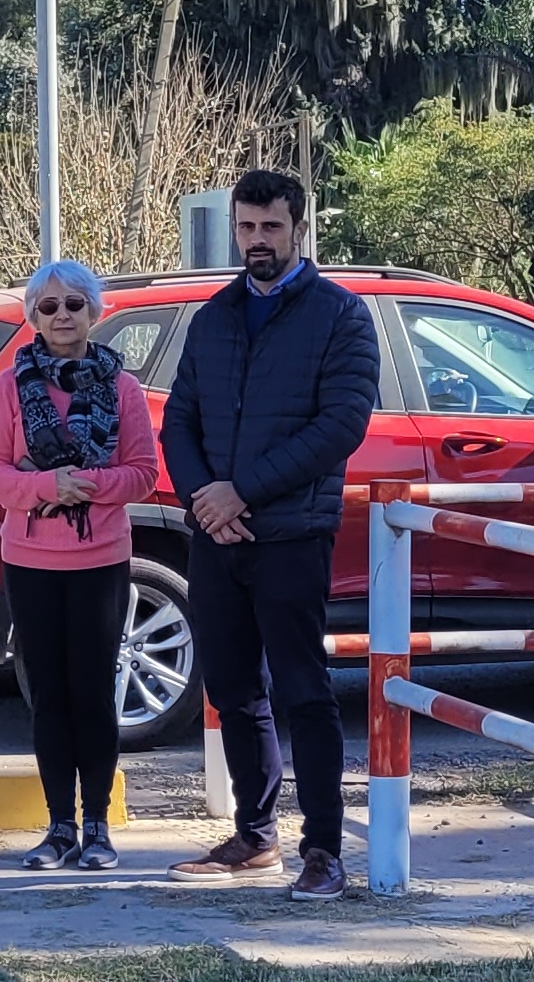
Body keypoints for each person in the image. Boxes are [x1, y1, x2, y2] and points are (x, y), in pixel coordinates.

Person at [161, 167, 379, 898]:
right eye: (246, 227)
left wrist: (239, 491)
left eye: (271, 228)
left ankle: (324, 850)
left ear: (298, 228)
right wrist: (203, 498)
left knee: (303, 691)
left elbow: (340, 427)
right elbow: (179, 418)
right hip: (216, 537)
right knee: (229, 684)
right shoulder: (215, 315)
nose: (257, 241)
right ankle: (256, 838)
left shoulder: (341, 316)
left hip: (291, 533)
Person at [0, 259, 160, 871]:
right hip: (29, 561)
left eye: (73, 305)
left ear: (94, 312)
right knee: (48, 695)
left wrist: (89, 486)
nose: (60, 317)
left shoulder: (122, 388)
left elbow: (142, 473)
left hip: (99, 560)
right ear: (32, 316)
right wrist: (48, 486)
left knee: (92, 693)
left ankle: (98, 826)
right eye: (47, 307)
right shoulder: (10, 387)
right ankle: (58, 827)